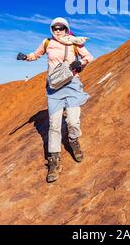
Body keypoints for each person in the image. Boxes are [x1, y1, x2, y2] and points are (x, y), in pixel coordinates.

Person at [17, 17, 94, 183]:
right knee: (54, 125)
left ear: (66, 28)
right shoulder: (47, 42)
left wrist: (79, 63)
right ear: (52, 29)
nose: (58, 31)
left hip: (72, 84)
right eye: (55, 28)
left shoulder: (74, 42)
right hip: (54, 87)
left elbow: (89, 57)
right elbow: (36, 54)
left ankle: (73, 141)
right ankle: (54, 160)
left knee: (73, 121)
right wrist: (26, 57)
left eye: (61, 28)